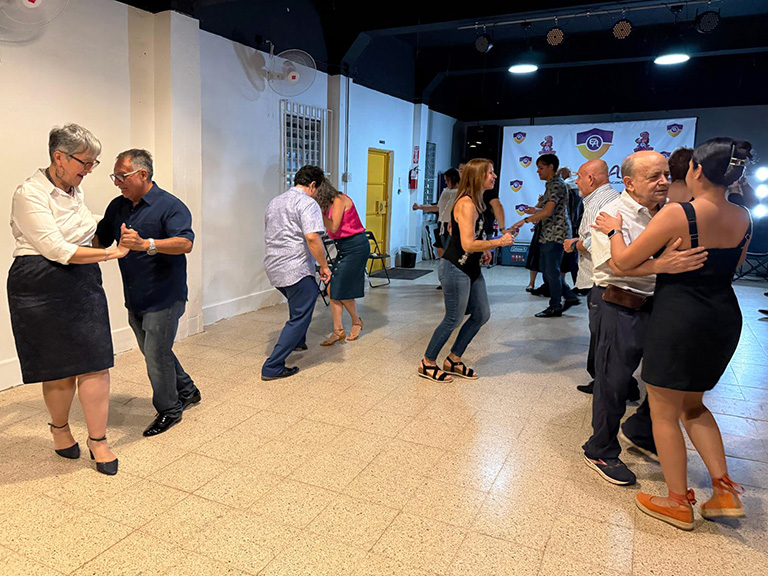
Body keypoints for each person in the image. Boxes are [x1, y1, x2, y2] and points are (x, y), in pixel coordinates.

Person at [594, 139, 753, 530]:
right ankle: (724, 490)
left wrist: (616, 230)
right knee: (694, 405)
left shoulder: (679, 215)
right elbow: (737, 263)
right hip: (723, 316)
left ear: (696, 170)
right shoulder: (744, 216)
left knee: (664, 414)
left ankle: (678, 502)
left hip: (680, 317)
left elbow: (623, 261)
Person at [583, 150, 708, 486]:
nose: (664, 182)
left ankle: (639, 430)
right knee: (614, 382)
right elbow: (613, 266)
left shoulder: (670, 213)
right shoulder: (611, 214)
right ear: (629, 182)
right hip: (621, 304)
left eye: (666, 174)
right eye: (654, 177)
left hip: (663, 306)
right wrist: (660, 264)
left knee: (665, 380)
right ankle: (600, 449)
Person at [8, 124, 127, 475]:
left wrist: (113, 226)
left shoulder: (74, 190)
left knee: (96, 361)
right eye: (85, 162)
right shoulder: (29, 193)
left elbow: (81, 226)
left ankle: (98, 440)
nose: (90, 169)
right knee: (57, 367)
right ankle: (59, 430)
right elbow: (56, 248)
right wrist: (111, 252)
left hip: (81, 279)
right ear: (59, 157)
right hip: (39, 282)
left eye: (93, 162)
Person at [96, 149, 199, 437]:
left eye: (122, 176)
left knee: (155, 353)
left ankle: (169, 409)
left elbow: (185, 243)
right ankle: (187, 390)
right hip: (135, 295)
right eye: (114, 176)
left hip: (165, 295)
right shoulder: (118, 206)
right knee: (155, 351)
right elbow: (100, 238)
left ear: (143, 174)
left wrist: (147, 244)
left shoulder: (170, 206)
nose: (117, 182)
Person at [418, 159, 514, 382]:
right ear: (479, 176)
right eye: (490, 173)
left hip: (470, 267)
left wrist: (485, 248)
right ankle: (427, 362)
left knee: (481, 314)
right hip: (456, 268)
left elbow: (472, 237)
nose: (494, 176)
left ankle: (453, 359)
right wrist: (498, 243)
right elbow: (468, 244)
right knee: (453, 318)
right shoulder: (467, 204)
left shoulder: (478, 201)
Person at [261, 165, 331, 380]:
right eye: (318, 189)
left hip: (274, 267)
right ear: (312, 185)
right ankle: (273, 366)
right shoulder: (307, 203)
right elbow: (312, 237)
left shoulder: (275, 201)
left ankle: (298, 342)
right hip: (295, 268)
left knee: (297, 304)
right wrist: (324, 266)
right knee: (301, 314)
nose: (317, 193)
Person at [563, 160, 621, 395]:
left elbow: (600, 241)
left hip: (602, 279)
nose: (576, 181)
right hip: (600, 278)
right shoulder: (602, 199)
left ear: (591, 179)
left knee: (602, 335)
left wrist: (575, 244)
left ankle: (607, 384)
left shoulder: (602, 203)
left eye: (579, 176)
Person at [511, 154, 578, 317]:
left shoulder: (556, 185)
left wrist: (525, 220)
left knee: (551, 271)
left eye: (541, 168)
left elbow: (548, 211)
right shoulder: (552, 185)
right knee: (549, 269)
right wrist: (535, 211)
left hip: (555, 233)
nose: (538, 171)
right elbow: (550, 209)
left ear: (550, 167)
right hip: (550, 232)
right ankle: (569, 296)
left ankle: (556, 305)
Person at [317, 180, 369, 345]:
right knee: (332, 288)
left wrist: (320, 214)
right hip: (344, 248)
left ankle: (356, 322)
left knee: (340, 288)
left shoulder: (339, 200)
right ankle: (338, 330)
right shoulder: (329, 204)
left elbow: (333, 227)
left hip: (356, 247)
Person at [413, 168, 460, 259]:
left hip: (453, 225)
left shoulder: (461, 193)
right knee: (440, 249)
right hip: (442, 224)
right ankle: (444, 267)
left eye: (447, 180)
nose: (446, 182)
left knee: (451, 251)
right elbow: (438, 207)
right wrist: (420, 207)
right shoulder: (446, 191)